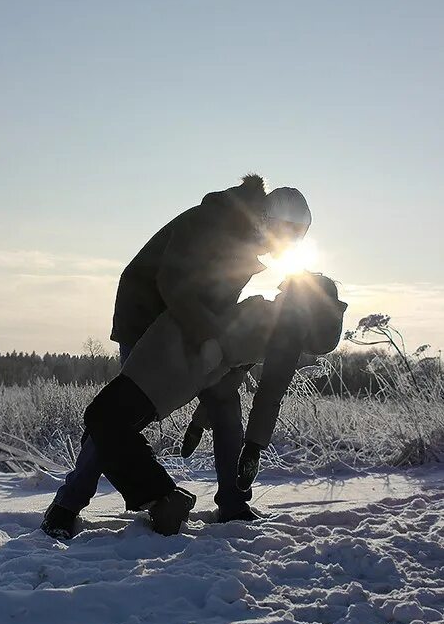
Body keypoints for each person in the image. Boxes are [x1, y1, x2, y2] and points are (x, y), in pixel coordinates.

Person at [42, 174, 312, 534]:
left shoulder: (248, 242)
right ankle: (66, 506)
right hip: (146, 319)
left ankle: (233, 504)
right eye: (289, 237)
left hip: (191, 323)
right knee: (119, 416)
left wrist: (223, 354)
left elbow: (215, 300)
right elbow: (172, 281)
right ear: (270, 220)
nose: (289, 247)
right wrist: (207, 338)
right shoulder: (211, 222)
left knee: (224, 403)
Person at [42, 272, 347, 538]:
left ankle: (69, 506)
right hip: (175, 363)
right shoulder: (286, 331)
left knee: (113, 422)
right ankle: (76, 505)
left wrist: (200, 425)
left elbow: (230, 373)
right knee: (110, 424)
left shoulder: (265, 312)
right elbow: (269, 394)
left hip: (186, 356)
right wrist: (253, 447)